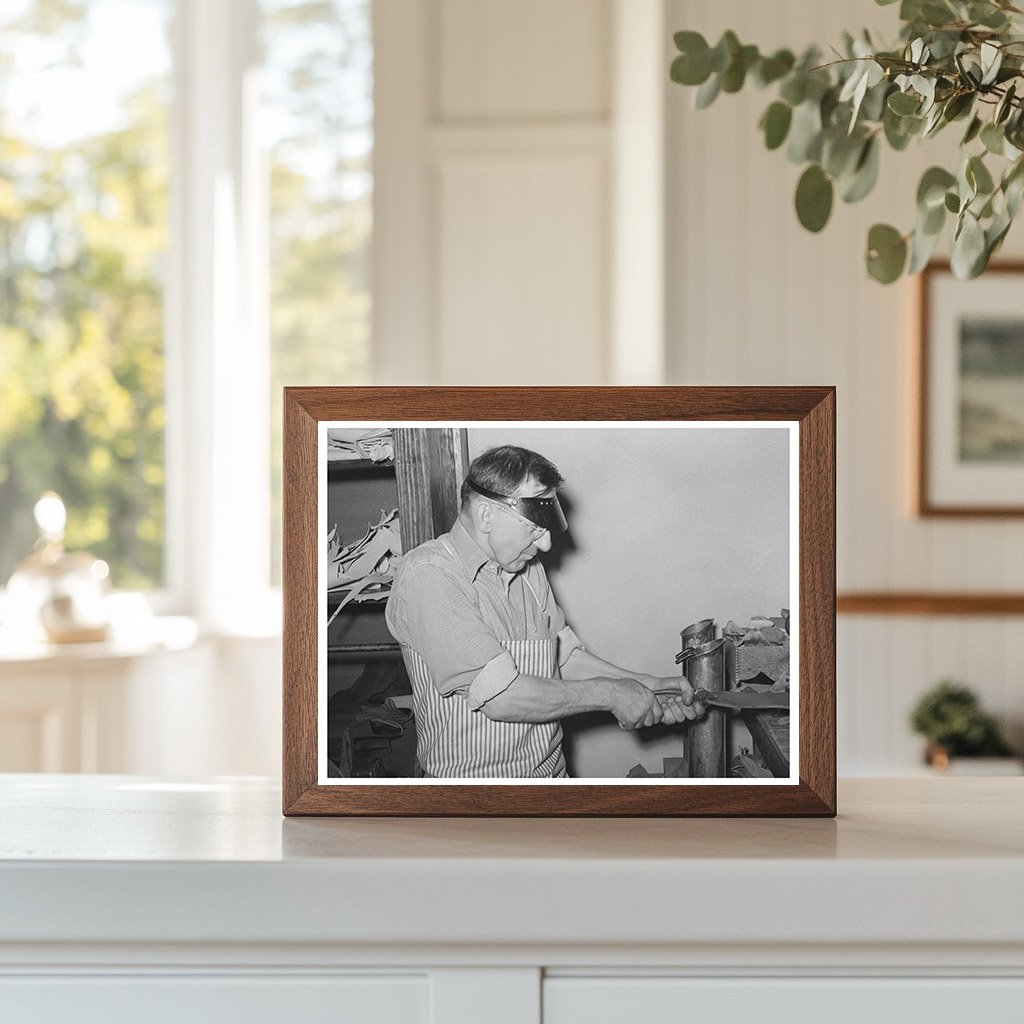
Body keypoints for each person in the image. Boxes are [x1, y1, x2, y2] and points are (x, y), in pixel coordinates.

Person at [385, 444, 704, 778]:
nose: (546, 545)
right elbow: (501, 697)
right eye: (535, 528)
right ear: (485, 516)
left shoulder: (527, 570)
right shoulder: (429, 574)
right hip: (474, 801)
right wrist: (612, 694)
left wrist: (646, 685)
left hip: (550, 780)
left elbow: (564, 660)